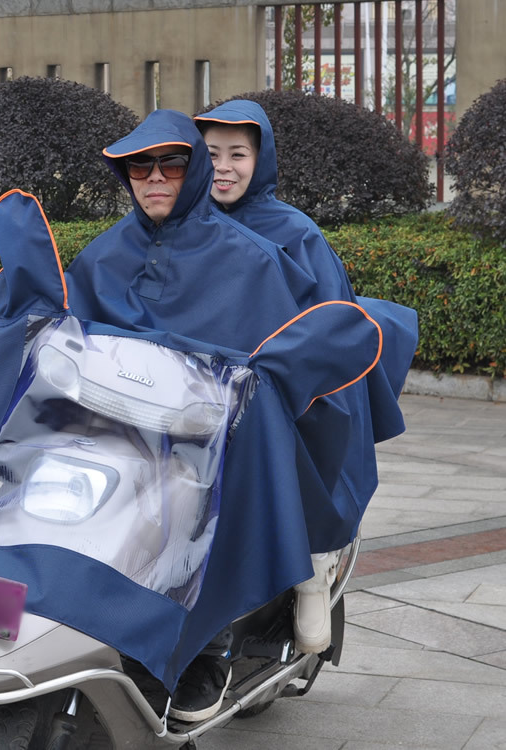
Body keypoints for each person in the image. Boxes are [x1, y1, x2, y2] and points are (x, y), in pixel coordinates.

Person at [63, 109, 402, 721]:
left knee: (220, 482)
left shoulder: (278, 244)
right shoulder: (112, 249)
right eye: (143, 166)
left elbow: (311, 329)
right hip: (134, 424)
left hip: (243, 419)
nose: (216, 168)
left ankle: (263, 606)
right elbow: (72, 325)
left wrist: (271, 386)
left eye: (176, 164)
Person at [193, 99, 417, 654]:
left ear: (260, 158)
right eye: (211, 152)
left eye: (237, 154)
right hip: (197, 391)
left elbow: (329, 329)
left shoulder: (296, 233)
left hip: (289, 392)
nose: (223, 166)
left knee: (297, 463)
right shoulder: (182, 221)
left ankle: (313, 574)